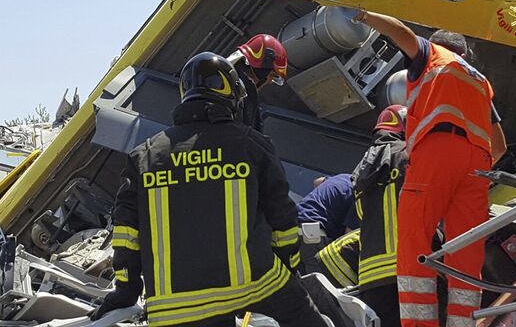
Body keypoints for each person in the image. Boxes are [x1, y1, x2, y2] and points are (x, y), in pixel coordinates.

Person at [89, 52, 328, 327]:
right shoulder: (251, 144)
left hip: (174, 303)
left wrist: (125, 291)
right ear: (233, 95)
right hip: (252, 283)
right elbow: (283, 220)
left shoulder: (144, 155)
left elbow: (127, 234)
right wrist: (291, 267)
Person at [350, 9, 508, 327]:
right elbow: (500, 146)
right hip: (478, 164)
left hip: (438, 151)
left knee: (414, 240)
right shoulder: (479, 81)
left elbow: (401, 32)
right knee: (466, 251)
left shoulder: (434, 55)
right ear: (467, 54)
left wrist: (363, 13)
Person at [316, 105, 409, 326]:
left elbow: (360, 217)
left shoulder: (364, 168)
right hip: (405, 266)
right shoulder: (410, 153)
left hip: (369, 275)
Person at [295, 173, 359, 275]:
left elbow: (317, 182)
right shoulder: (360, 195)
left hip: (294, 226)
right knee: (319, 283)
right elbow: (348, 238)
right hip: (314, 235)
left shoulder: (343, 177)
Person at [228, 34, 288, 131]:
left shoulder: (226, 82)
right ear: (262, 69)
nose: (270, 82)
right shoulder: (237, 94)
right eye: (272, 75)